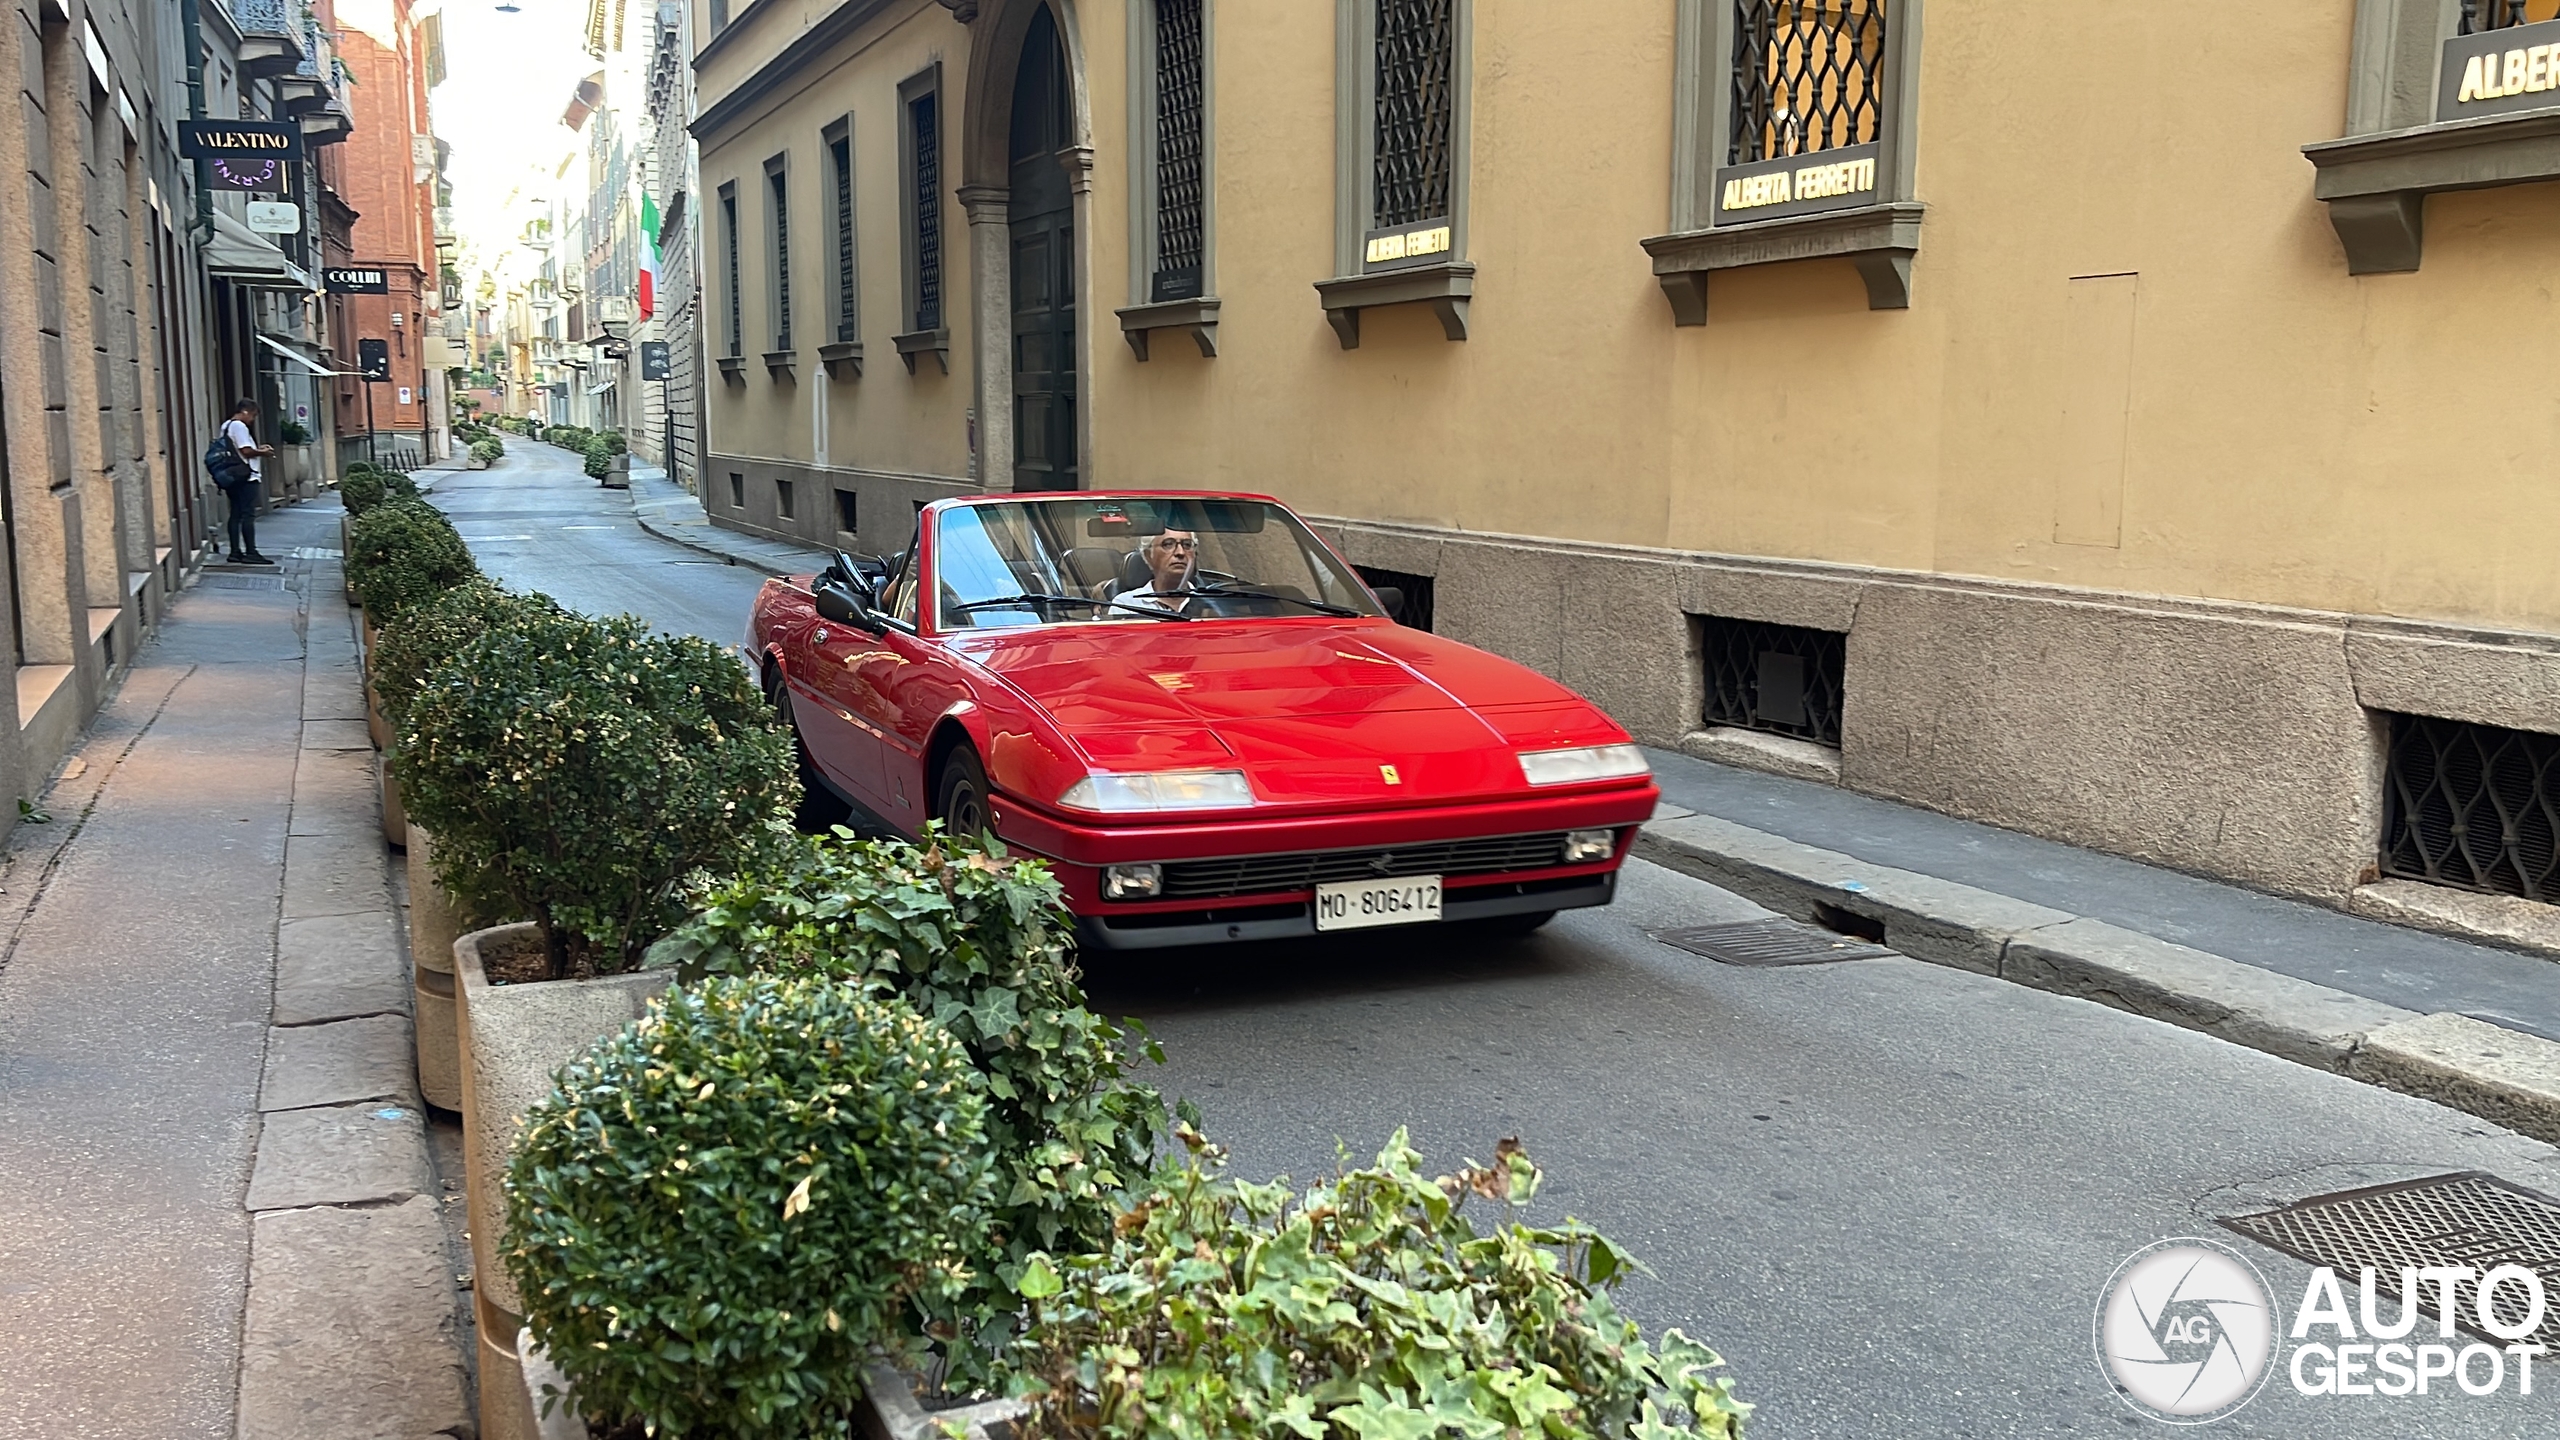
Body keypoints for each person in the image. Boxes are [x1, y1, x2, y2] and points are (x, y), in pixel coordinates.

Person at [214, 399, 276, 566]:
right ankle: (251, 552)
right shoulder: (239, 426)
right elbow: (246, 451)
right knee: (248, 514)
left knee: (235, 514)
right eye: (253, 416)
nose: (253, 420)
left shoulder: (226, 425)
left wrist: (258, 449)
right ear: (246, 411)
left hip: (232, 476)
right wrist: (263, 453)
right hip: (246, 476)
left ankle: (235, 551)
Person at [1112, 529, 1199, 613]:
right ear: (1148, 555)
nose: (1180, 552)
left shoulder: (1210, 602)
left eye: (1187, 545)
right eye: (1168, 544)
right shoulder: (1126, 604)